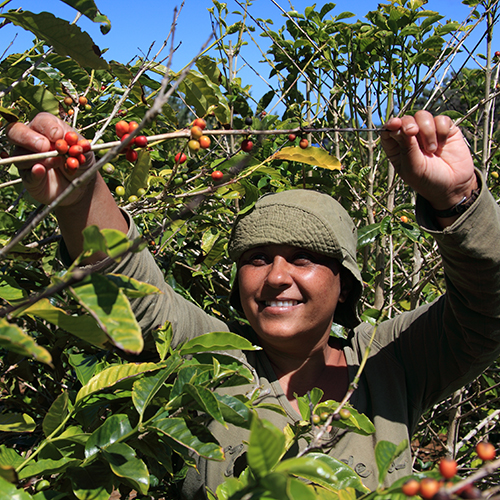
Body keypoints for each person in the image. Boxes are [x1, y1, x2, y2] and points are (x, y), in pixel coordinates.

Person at [7, 111, 500, 498]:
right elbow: (135, 298)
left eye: (303, 258)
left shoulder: (389, 363)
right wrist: (81, 197)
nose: (277, 277)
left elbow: (488, 309)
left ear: (344, 284)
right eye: (258, 258)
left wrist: (458, 197)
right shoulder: (214, 359)